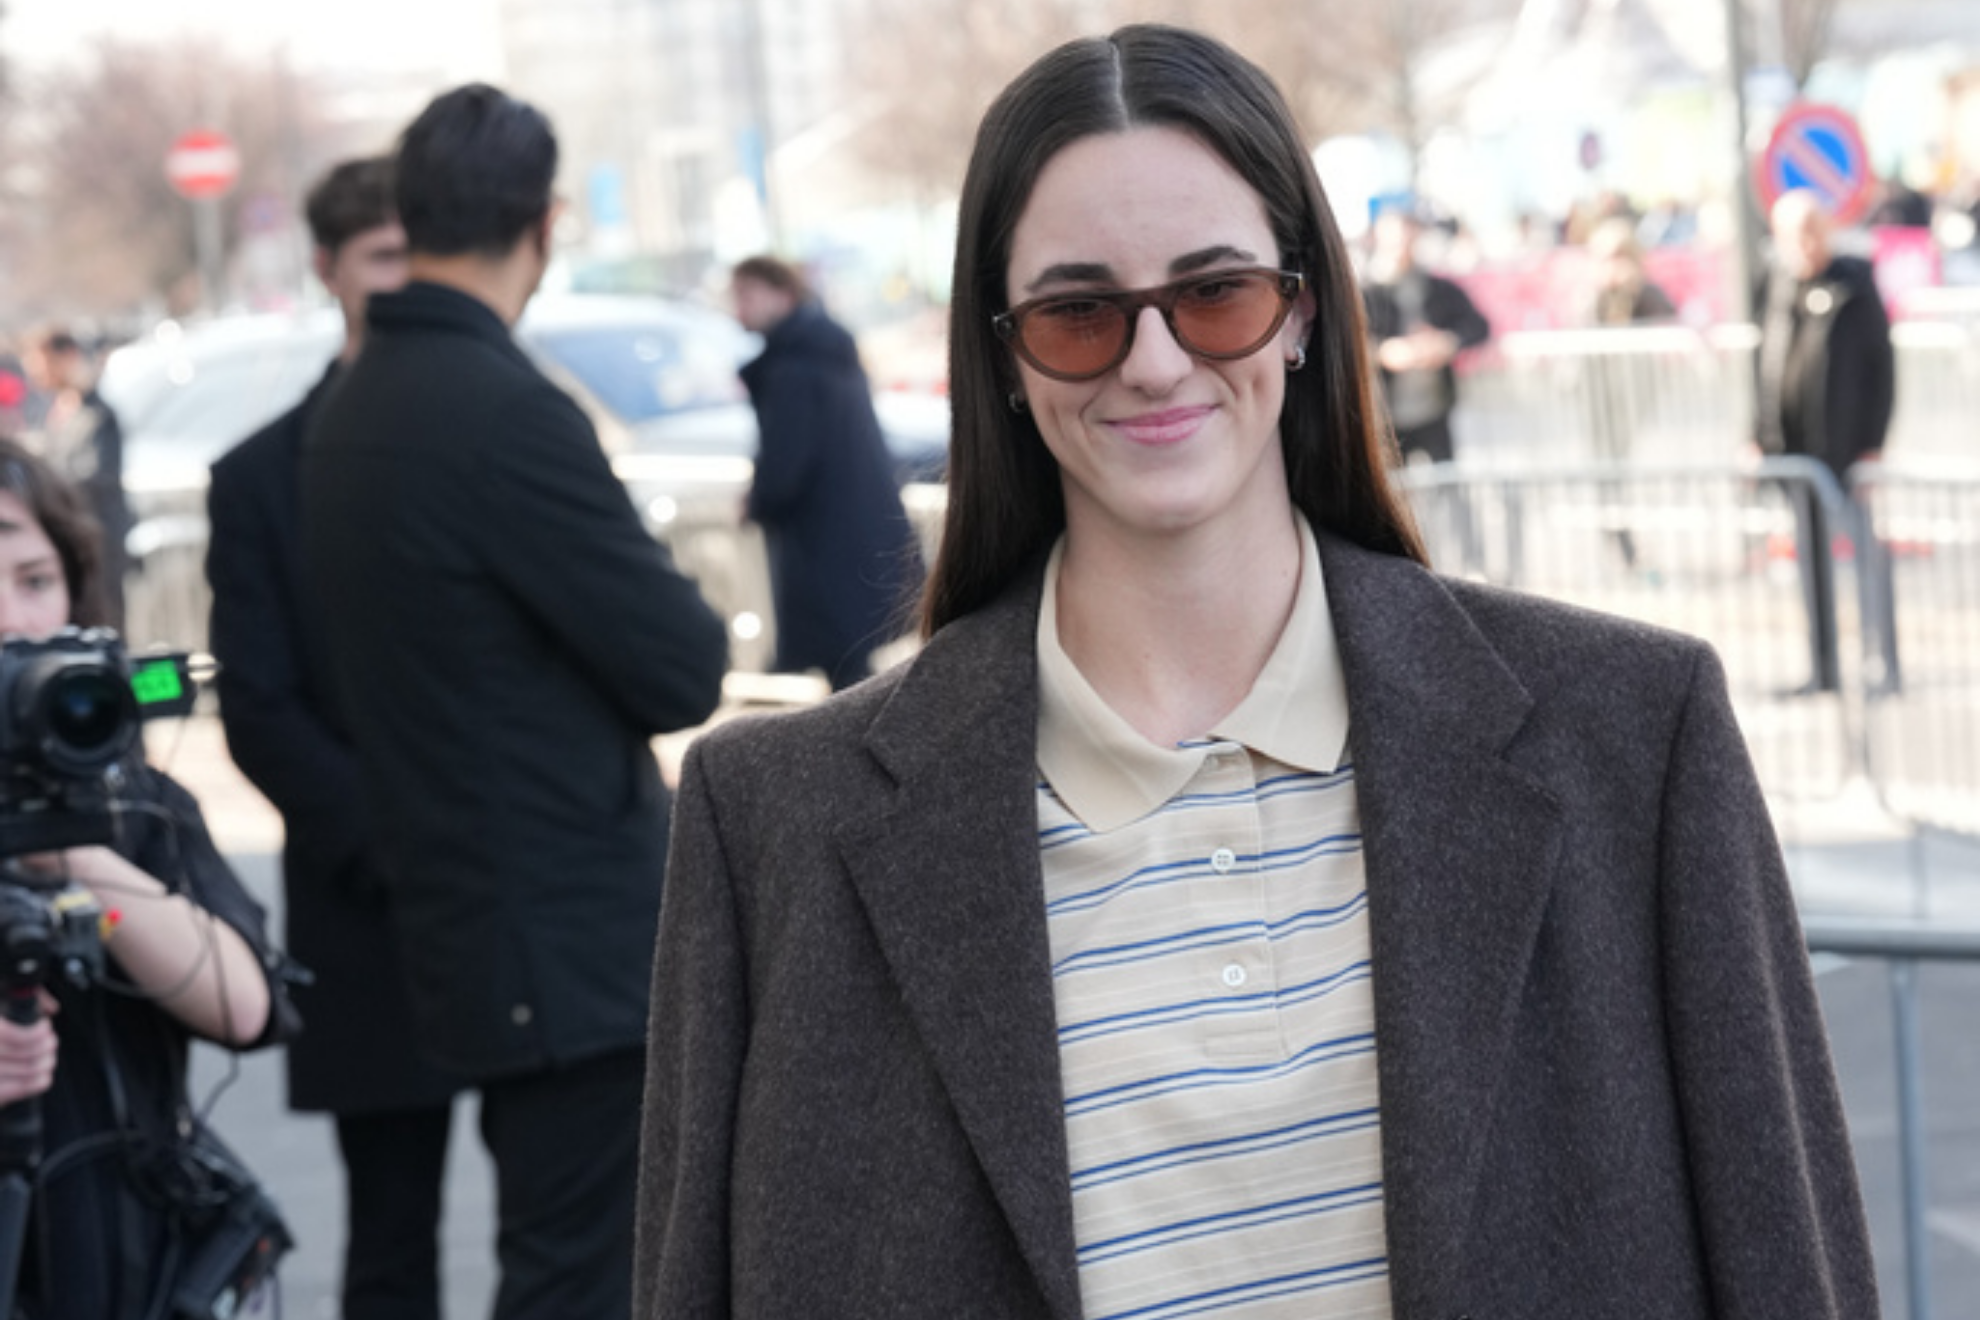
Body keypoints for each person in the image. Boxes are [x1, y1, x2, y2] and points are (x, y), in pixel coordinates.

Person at [634, 24, 1877, 1320]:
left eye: (1215, 292)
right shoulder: (774, 825)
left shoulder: (1632, 737)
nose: (1155, 360)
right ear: (1004, 353)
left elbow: (1789, 1269)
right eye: (1078, 314)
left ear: (1300, 312)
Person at [302, 84, 727, 1320]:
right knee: (584, 1277)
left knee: (561, 1259)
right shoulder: (500, 410)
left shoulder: (354, 409)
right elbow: (677, 665)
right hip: (567, 939)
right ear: (545, 223)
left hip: (470, 920)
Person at [206, 156, 463, 1320]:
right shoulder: (258, 476)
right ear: (328, 271)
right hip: (369, 908)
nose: (407, 284)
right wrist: (397, 845)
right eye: (382, 259)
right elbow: (257, 704)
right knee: (391, 1238)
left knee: (582, 1233)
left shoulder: (491, 438)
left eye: (422, 256)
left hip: (519, 905)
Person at [0, 436, 300, 1318]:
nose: (14, 620)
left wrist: (78, 854)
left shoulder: (132, 804)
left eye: (34, 579)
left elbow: (241, 1003)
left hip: (120, 1257)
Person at [730, 255, 923, 690]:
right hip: (856, 528)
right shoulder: (823, 351)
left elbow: (787, 463)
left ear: (782, 294)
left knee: (847, 674)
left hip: (823, 539)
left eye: (746, 294)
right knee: (853, 667)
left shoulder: (794, 367)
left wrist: (759, 501)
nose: (736, 307)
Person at [1757, 189, 1899, 695]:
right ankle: (1824, 670)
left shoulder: (1855, 283)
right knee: (1812, 572)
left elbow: (1881, 370)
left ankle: (1884, 665)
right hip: (1795, 456)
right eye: (1792, 234)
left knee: (1865, 562)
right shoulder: (1776, 286)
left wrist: (1874, 445)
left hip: (1846, 453)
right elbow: (1766, 368)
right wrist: (1757, 435)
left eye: (1812, 230)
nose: (1804, 243)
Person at [1359, 206, 1489, 467]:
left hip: (1435, 411)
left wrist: (1447, 343)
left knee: (1448, 487)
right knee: (1395, 495)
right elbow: (1347, 344)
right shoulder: (1364, 293)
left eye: (1407, 237)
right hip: (1387, 417)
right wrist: (1383, 353)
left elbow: (1479, 326)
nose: (1401, 247)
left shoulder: (1439, 288)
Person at [24, 331, 130, 631]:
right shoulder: (61, 410)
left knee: (107, 627)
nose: (38, 375)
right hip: (72, 542)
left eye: (43, 365)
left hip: (102, 543)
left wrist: (44, 486)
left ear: (66, 357)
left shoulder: (98, 413)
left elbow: (96, 474)